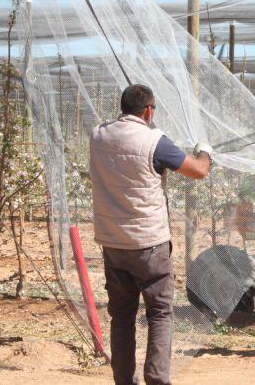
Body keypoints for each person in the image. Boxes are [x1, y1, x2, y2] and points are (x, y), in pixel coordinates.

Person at [89, 83, 213, 385]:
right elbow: (197, 170)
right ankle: (157, 380)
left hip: (112, 243)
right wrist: (205, 152)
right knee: (159, 313)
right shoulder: (155, 141)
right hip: (148, 244)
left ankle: (123, 380)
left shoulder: (98, 135)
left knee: (121, 316)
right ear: (148, 110)